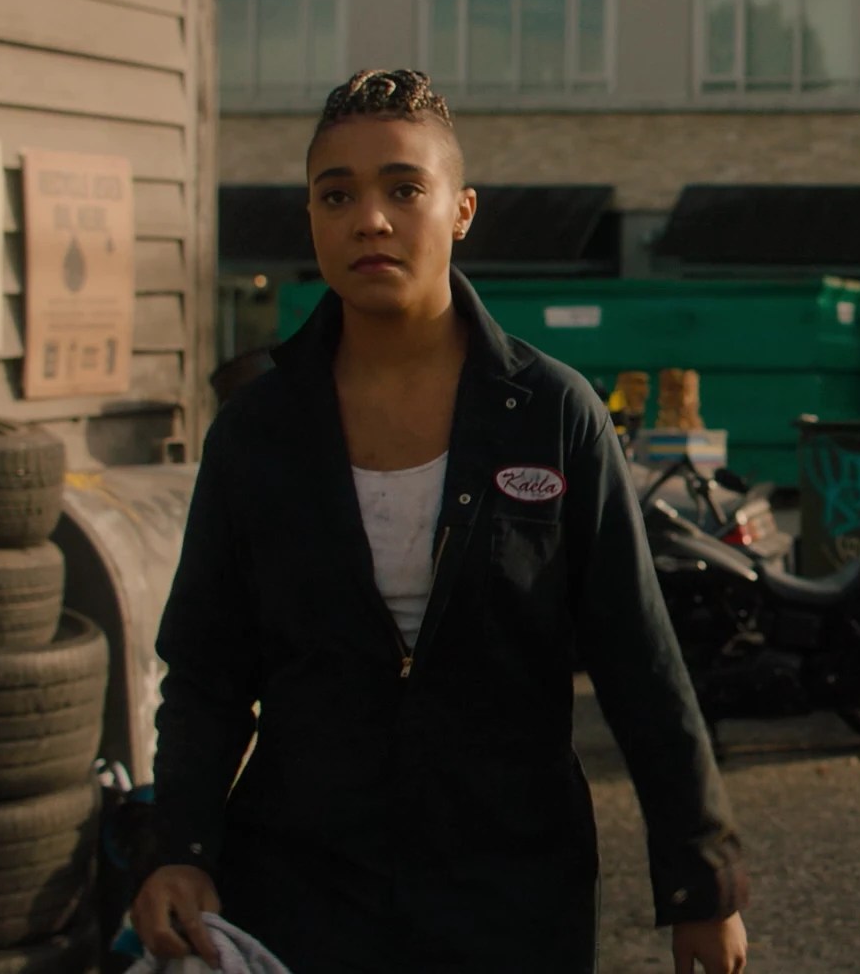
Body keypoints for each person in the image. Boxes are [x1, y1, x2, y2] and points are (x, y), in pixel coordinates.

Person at [130, 71, 747, 973]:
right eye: (337, 195)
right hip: (304, 887)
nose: (370, 220)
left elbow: (640, 663)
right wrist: (178, 849)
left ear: (460, 211)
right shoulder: (257, 431)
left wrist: (702, 882)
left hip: (511, 892)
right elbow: (206, 674)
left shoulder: (553, 415)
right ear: (311, 216)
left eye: (403, 189)